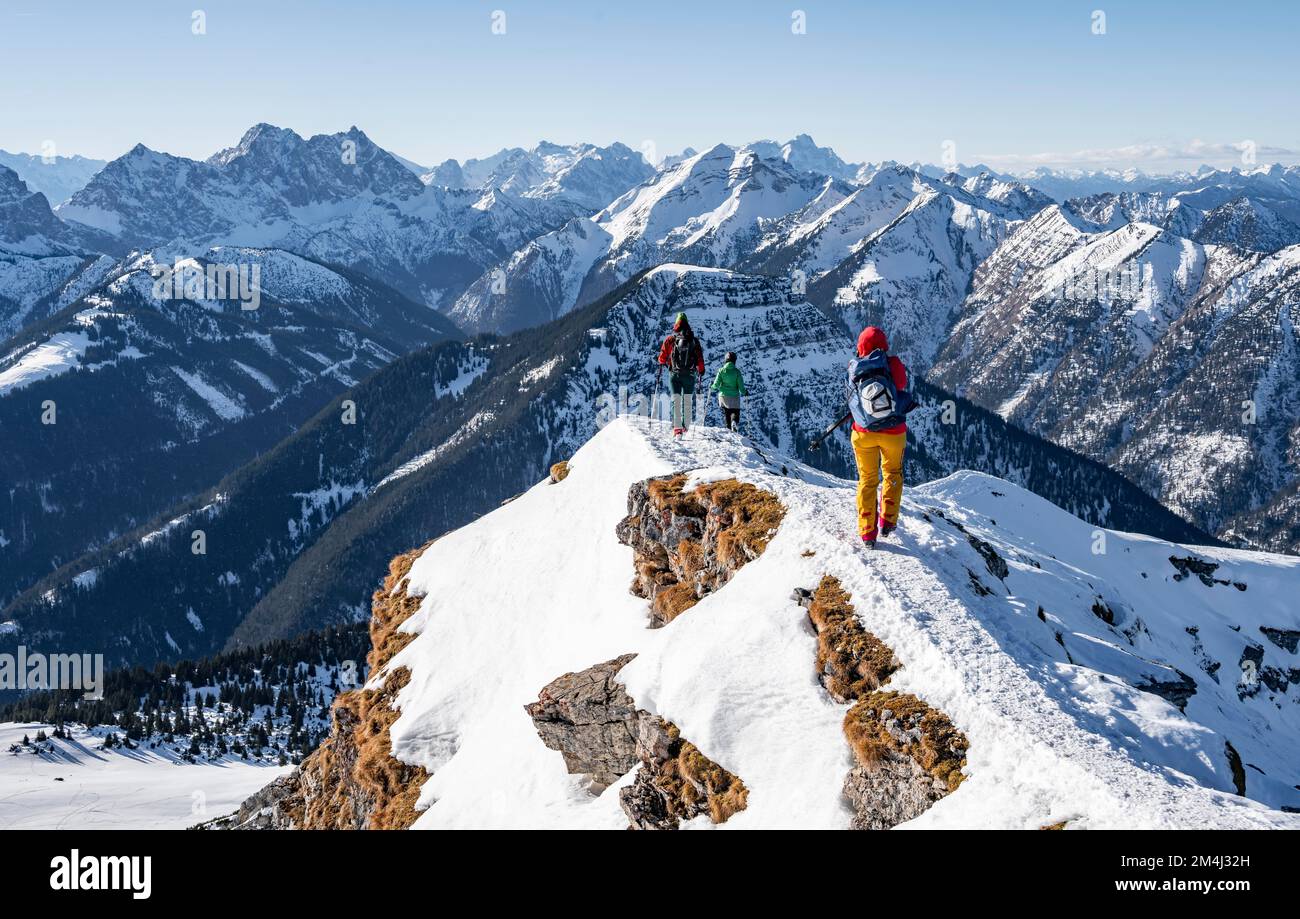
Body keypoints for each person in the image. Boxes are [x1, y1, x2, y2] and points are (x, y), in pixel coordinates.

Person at [846, 326, 914, 549]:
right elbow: (902, 385)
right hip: (894, 432)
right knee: (893, 473)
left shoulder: (854, 366)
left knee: (867, 480)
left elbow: (851, 397)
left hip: (864, 433)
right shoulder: (892, 363)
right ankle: (888, 521)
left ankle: (867, 533)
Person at [657, 312, 705, 437]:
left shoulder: (671, 339)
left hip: (675, 374)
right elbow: (700, 359)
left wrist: (664, 362)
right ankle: (685, 426)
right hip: (690, 375)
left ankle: (677, 429)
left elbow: (661, 358)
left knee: (676, 399)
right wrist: (701, 371)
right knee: (687, 400)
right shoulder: (694, 341)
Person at [710, 351, 747, 432]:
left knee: (727, 412)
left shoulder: (721, 370)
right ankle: (734, 422)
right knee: (735, 411)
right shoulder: (737, 372)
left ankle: (728, 428)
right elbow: (741, 387)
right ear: (734, 361)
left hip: (723, 396)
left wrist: (711, 386)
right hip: (734, 396)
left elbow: (716, 385)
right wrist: (745, 392)